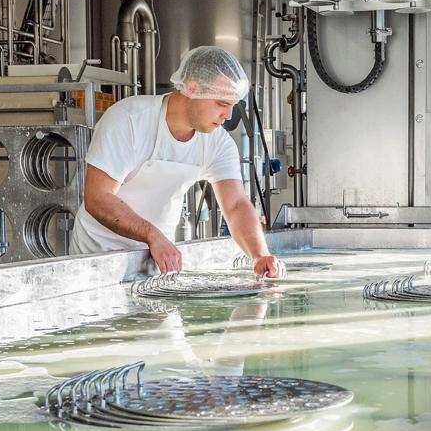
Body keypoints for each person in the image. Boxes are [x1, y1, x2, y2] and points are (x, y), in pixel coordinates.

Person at [71, 46, 285, 278]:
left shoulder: (217, 142)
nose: (229, 115)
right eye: (222, 104)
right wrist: (152, 235)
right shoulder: (130, 120)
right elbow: (98, 198)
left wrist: (259, 254)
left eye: (234, 105)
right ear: (192, 88)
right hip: (97, 260)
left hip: (157, 262)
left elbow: (235, 205)